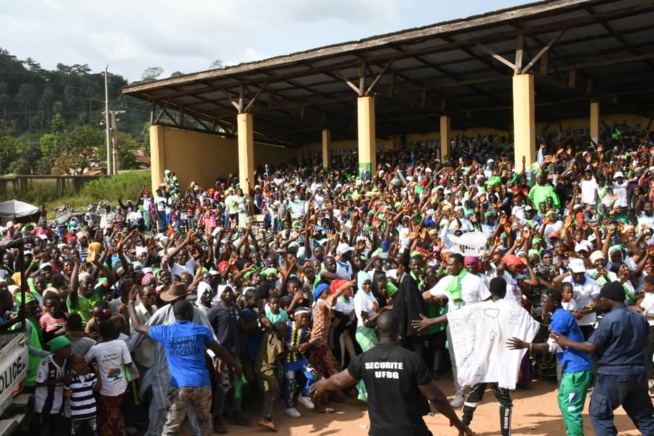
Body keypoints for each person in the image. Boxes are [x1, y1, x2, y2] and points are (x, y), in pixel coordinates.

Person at [311, 311, 473, 436]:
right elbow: (435, 397)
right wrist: (456, 420)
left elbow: (339, 381)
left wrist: (321, 384)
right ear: (398, 330)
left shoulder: (364, 359)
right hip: (411, 431)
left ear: (377, 331)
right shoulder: (411, 359)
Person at [414, 277, 540, 436]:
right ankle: (505, 433)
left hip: (480, 360)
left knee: (475, 393)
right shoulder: (514, 309)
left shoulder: (477, 307)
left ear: (491, 290)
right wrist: (551, 328)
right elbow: (534, 326)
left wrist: (431, 321)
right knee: (504, 400)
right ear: (504, 291)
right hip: (501, 362)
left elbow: (454, 316)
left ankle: (463, 428)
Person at [127, 286, 240, 436]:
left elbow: (138, 326)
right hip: (175, 374)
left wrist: (129, 302)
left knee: (175, 422)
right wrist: (235, 365)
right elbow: (218, 347)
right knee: (167, 409)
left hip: (180, 383)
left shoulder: (174, 327)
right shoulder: (166, 314)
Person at [553, 281, 654, 435]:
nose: (599, 302)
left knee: (600, 414)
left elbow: (591, 347)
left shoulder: (609, 319)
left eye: (601, 298)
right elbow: (646, 342)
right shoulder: (639, 317)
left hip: (613, 375)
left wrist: (566, 342)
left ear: (609, 299)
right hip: (638, 373)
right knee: (644, 418)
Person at [508, 288, 593, 436]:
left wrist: (525, 345)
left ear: (554, 303)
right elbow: (550, 329)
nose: (542, 304)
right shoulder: (559, 316)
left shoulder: (560, 318)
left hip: (577, 370)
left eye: (544, 301)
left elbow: (550, 346)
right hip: (571, 368)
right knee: (563, 401)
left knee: (571, 408)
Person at [424, 252, 489, 407]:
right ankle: (459, 393)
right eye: (447, 264)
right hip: (454, 326)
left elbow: (487, 301)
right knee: (456, 361)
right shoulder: (446, 281)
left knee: (474, 359)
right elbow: (426, 295)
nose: (447, 267)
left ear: (460, 265)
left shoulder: (475, 281)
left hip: (473, 326)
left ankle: (474, 391)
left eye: (450, 264)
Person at [85, 319, 133, 436]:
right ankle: (120, 431)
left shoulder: (96, 348)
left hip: (106, 390)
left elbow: (85, 360)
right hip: (122, 386)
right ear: (114, 330)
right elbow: (129, 364)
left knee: (107, 414)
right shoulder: (121, 344)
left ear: (99, 332)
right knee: (117, 411)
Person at [33, 336, 72, 436]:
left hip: (59, 401)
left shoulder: (67, 362)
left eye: (69, 347)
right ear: (57, 350)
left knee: (59, 427)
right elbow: (38, 383)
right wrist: (60, 380)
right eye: (66, 348)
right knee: (45, 427)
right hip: (45, 401)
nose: (69, 350)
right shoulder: (46, 363)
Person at [65, 354, 101, 436]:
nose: (84, 365)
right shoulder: (69, 378)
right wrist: (68, 391)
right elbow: (67, 395)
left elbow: (97, 388)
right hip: (76, 415)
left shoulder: (90, 376)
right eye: (80, 363)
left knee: (92, 433)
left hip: (91, 413)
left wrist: (98, 373)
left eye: (84, 362)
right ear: (72, 366)